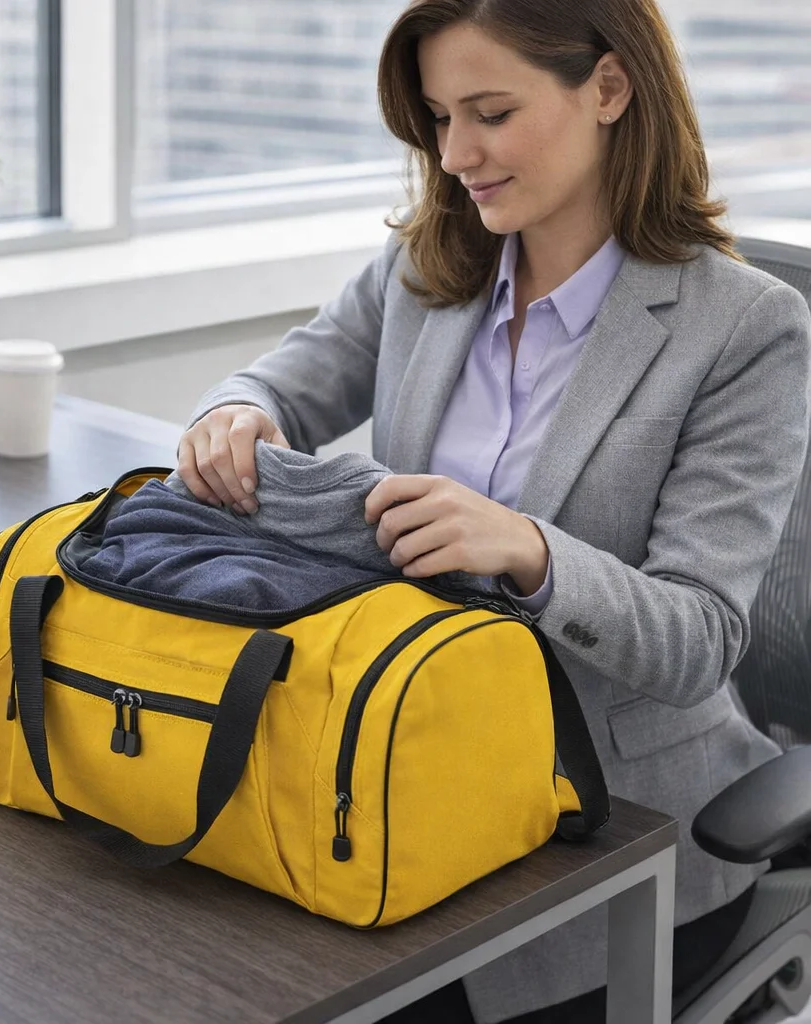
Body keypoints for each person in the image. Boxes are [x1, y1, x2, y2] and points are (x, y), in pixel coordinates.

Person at [175, 0, 811, 1020]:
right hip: (411, 763)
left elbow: (699, 636)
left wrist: (529, 552)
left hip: (616, 827)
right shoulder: (429, 266)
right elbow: (274, 386)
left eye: (490, 112)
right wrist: (233, 413)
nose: (457, 153)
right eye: (436, 117)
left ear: (607, 88)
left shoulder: (744, 329)